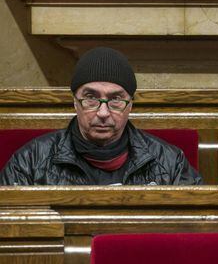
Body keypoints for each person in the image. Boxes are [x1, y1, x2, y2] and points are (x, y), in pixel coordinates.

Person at [0, 47, 202, 185]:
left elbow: (195, 234)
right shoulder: (29, 161)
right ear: (74, 102)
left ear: (130, 105)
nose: (103, 113)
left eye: (115, 100)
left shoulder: (170, 163)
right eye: (91, 98)